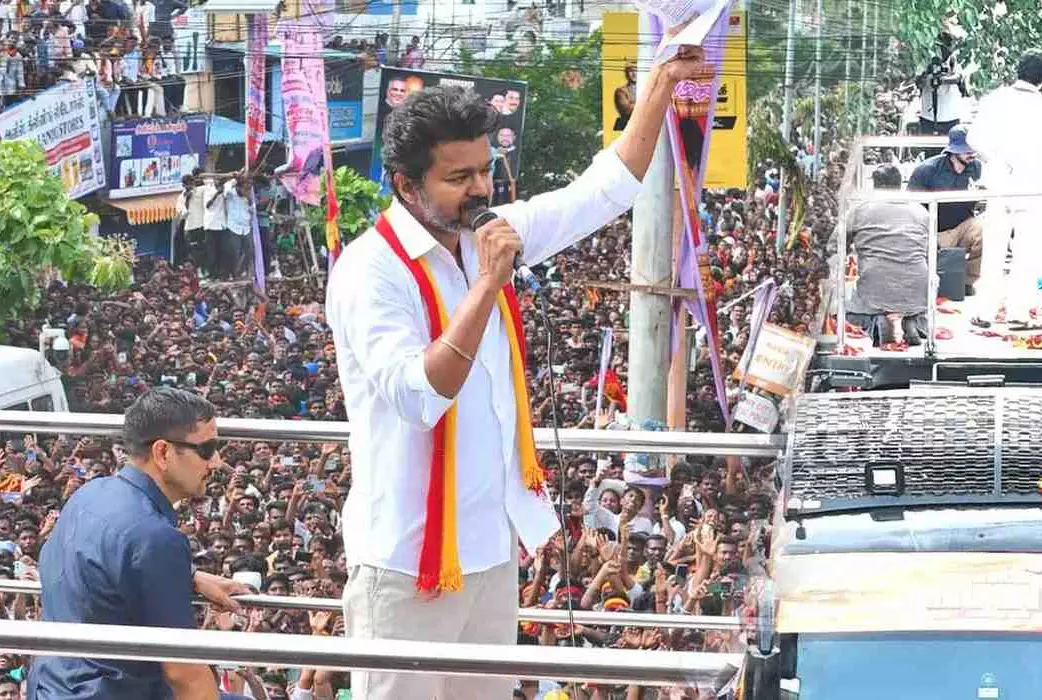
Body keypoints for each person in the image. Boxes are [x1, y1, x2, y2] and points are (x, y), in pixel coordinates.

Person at [324, 44, 707, 699]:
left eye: (484, 170)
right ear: (407, 186)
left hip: (490, 550)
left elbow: (604, 189)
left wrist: (662, 83)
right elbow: (421, 397)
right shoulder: (370, 272)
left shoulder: (485, 235)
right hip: (407, 563)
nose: (480, 189)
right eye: (458, 177)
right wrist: (487, 283)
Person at [29, 387, 249, 699]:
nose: (217, 462)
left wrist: (186, 577)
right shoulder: (155, 537)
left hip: (52, 685)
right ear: (163, 453)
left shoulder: (88, 495)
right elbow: (185, 675)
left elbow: (104, 569)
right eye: (207, 449)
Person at [968, 48, 1042, 331]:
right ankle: (1019, 313)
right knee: (1026, 252)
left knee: (993, 249)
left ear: (1018, 69)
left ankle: (985, 310)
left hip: (999, 183)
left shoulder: (994, 99)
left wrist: (995, 160)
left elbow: (973, 138)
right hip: (1031, 187)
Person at [844, 165, 931, 347]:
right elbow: (931, 253)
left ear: (875, 185)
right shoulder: (921, 211)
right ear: (900, 185)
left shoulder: (860, 210)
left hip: (875, 286)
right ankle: (913, 321)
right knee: (924, 305)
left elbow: (835, 245)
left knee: (847, 311)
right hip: (917, 286)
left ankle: (877, 323)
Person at [907, 124, 984, 294]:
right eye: (966, 150)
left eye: (972, 149)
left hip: (963, 225)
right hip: (934, 229)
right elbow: (912, 206)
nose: (971, 153)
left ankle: (967, 281)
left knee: (984, 229)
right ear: (953, 151)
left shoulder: (977, 168)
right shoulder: (928, 170)